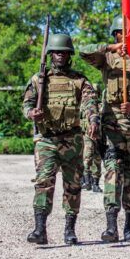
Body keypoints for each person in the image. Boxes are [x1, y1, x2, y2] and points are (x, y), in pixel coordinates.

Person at [78, 16, 130, 242]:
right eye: (120, 33)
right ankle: (111, 227)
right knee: (112, 175)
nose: (124, 36)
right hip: (112, 128)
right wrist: (110, 48)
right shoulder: (107, 59)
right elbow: (83, 51)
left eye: (127, 33)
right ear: (115, 35)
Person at [24, 33, 99, 245]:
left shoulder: (79, 80)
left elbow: (90, 103)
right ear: (50, 55)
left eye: (64, 53)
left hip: (72, 140)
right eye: (56, 52)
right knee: (43, 182)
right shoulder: (39, 80)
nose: (60, 56)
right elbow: (27, 105)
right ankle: (40, 230)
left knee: (73, 185)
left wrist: (93, 120)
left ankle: (69, 230)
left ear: (69, 56)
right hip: (46, 139)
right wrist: (32, 114)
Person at [81, 110, 103, 193]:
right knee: (87, 157)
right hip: (87, 135)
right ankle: (87, 182)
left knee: (97, 159)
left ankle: (95, 184)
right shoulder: (83, 102)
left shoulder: (99, 103)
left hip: (99, 136)